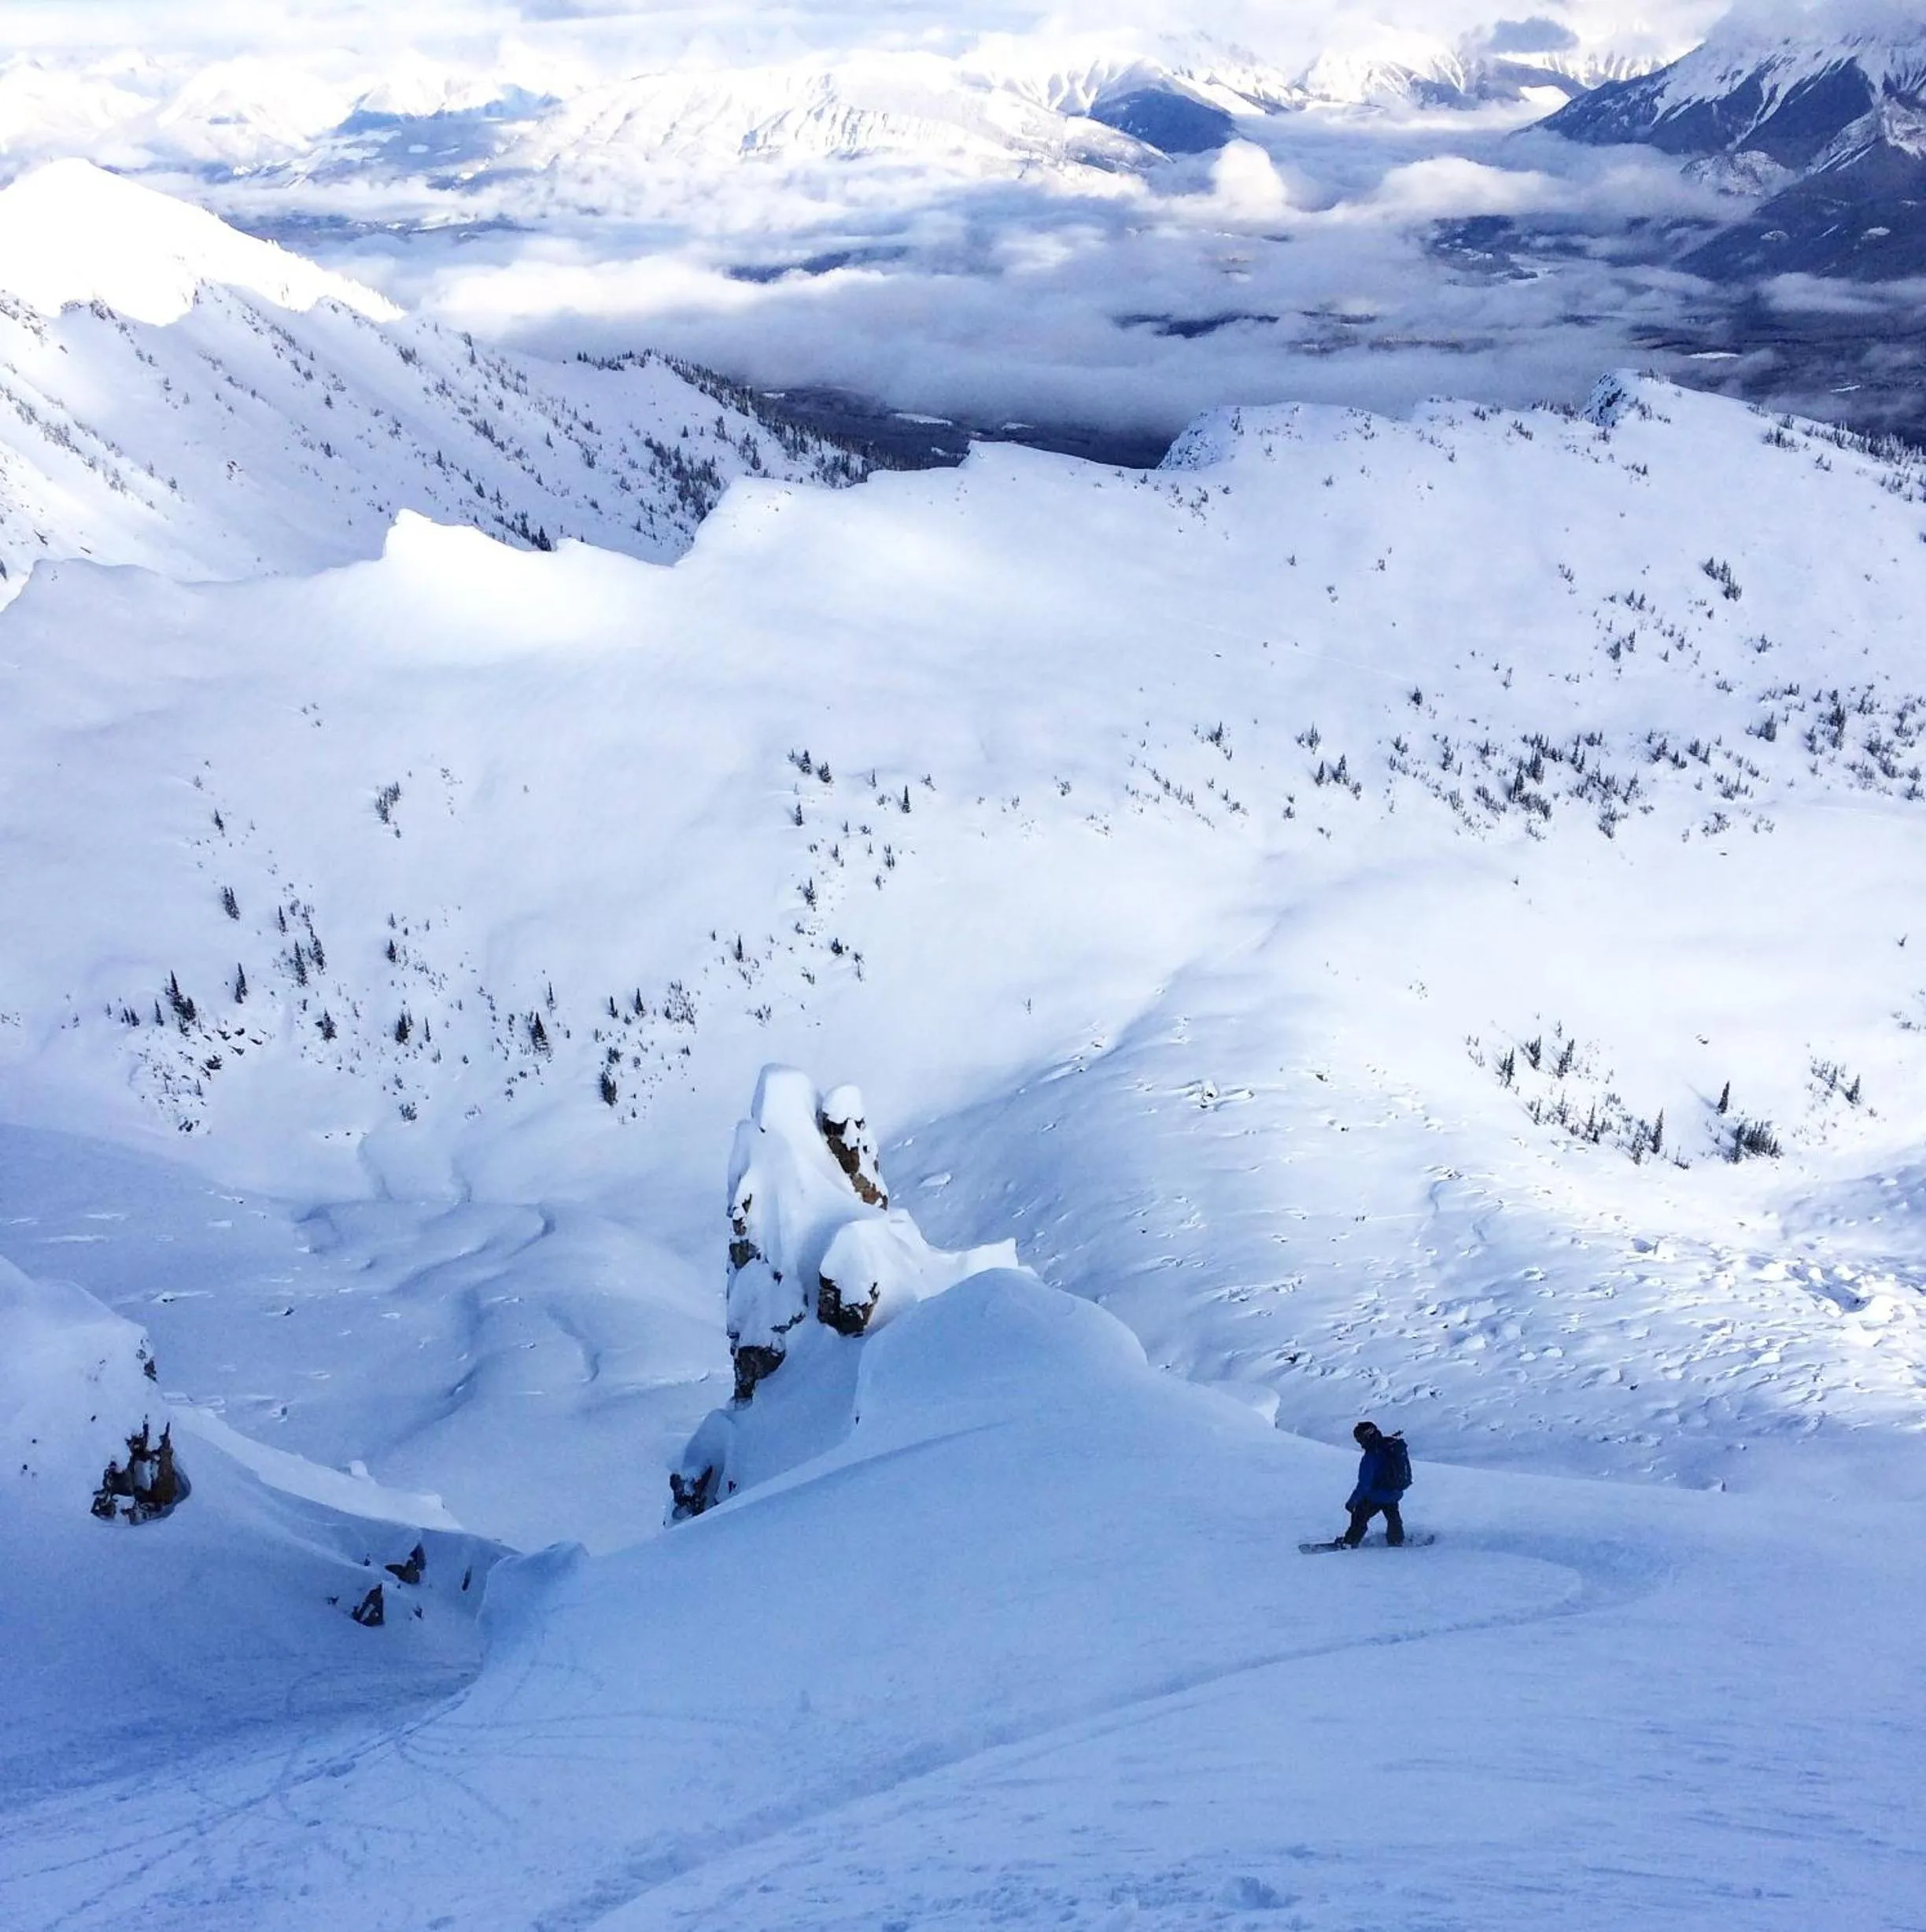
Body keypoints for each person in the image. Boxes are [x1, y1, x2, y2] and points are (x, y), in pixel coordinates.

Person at [1340, 1420, 1409, 1547]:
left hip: (1376, 1496)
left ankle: (1349, 1542)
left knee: (1359, 1516)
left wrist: (1352, 1502)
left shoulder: (1371, 1456)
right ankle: (1397, 1540)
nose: (1360, 1443)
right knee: (1393, 1517)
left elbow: (1364, 1485)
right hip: (1394, 1492)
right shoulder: (1390, 1446)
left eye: (1359, 1439)